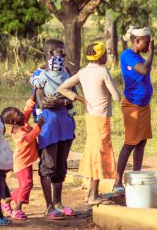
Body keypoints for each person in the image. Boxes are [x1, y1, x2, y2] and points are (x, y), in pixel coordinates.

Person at [58, 42, 121, 205]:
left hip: (90, 116)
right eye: (105, 54)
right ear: (100, 57)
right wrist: (111, 84)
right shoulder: (103, 71)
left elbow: (62, 88)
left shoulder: (83, 72)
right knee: (99, 153)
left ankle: (91, 194)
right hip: (101, 119)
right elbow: (117, 97)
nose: (107, 57)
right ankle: (93, 195)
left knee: (94, 151)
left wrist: (78, 98)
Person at [31, 39, 76, 219]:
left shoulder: (66, 72)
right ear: (50, 53)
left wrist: (62, 101)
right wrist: (61, 101)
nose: (64, 56)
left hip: (65, 124)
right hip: (48, 125)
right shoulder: (39, 75)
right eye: (61, 52)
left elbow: (73, 96)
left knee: (61, 165)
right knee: (48, 165)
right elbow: (43, 102)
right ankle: (49, 206)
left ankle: (58, 202)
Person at [114, 25, 154, 192]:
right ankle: (117, 181)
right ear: (137, 41)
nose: (148, 45)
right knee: (130, 143)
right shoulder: (128, 56)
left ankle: (136, 175)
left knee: (141, 141)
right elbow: (144, 71)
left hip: (143, 104)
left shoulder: (138, 57)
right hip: (132, 104)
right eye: (147, 42)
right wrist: (153, 52)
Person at [0, 91, 45, 220]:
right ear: (13, 121)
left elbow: (28, 109)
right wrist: (38, 126)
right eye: (18, 114)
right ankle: (17, 208)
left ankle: (6, 199)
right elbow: (29, 138)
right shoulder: (18, 133)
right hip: (21, 163)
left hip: (26, 161)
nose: (21, 113)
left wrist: (34, 92)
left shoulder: (22, 120)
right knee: (26, 184)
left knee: (27, 185)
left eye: (19, 111)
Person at [30, 46, 75, 118]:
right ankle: (71, 110)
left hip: (48, 97)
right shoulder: (66, 75)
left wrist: (32, 80)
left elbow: (37, 84)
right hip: (61, 96)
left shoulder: (44, 74)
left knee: (38, 90)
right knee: (68, 92)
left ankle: (38, 112)